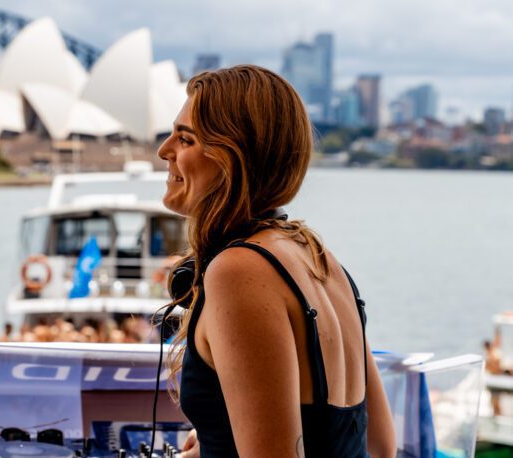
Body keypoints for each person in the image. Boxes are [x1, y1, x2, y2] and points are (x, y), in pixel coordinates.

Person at [156, 66, 396, 458]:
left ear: (233, 156)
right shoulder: (320, 259)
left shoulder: (239, 271)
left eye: (185, 139)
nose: (164, 151)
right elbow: (381, 447)